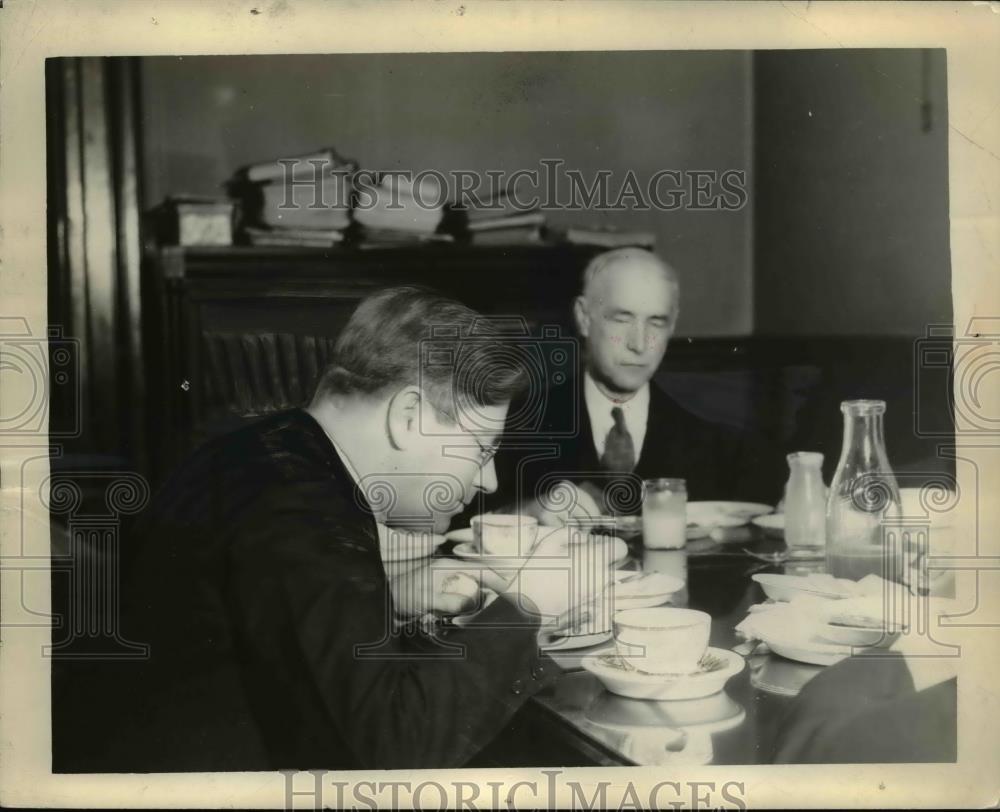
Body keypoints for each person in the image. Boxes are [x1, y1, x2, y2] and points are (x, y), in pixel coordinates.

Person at [87, 287, 584, 772]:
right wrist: (526, 608)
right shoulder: (298, 512)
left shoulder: (263, 452)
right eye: (481, 449)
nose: (488, 480)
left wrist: (382, 596)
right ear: (409, 416)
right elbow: (392, 747)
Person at [483, 247, 778, 523]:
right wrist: (526, 515)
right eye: (621, 319)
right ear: (584, 318)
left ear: (673, 325)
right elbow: (456, 529)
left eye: (656, 322)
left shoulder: (717, 439)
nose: (639, 344)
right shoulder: (515, 426)